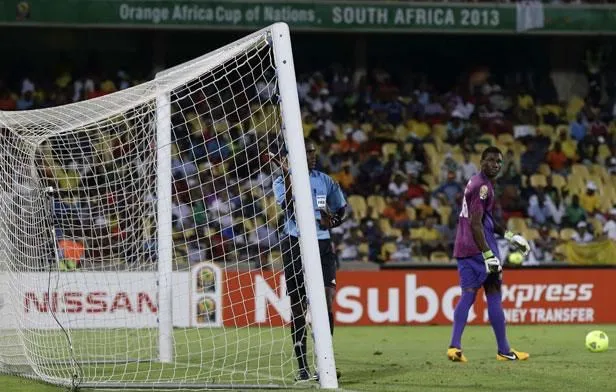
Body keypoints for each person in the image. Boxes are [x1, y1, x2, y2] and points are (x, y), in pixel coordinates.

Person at [272, 139, 347, 381]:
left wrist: (332, 221)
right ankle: (302, 367)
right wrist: (287, 175)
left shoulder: (324, 180)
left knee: (326, 302)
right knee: (298, 305)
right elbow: (288, 208)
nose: (312, 156)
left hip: (322, 243)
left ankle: (324, 363)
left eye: (313, 152)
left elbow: (340, 209)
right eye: (307, 153)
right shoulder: (281, 181)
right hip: (295, 242)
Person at [448, 146, 531, 363]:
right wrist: (487, 254)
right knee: (493, 294)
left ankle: (454, 346)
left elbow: (485, 220)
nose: (495, 164)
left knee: (468, 294)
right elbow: (477, 223)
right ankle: (504, 350)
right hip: (480, 248)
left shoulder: (475, 182)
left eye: (498, 162)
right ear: (481, 160)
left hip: (464, 248)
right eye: (491, 160)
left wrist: (511, 236)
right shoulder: (483, 187)